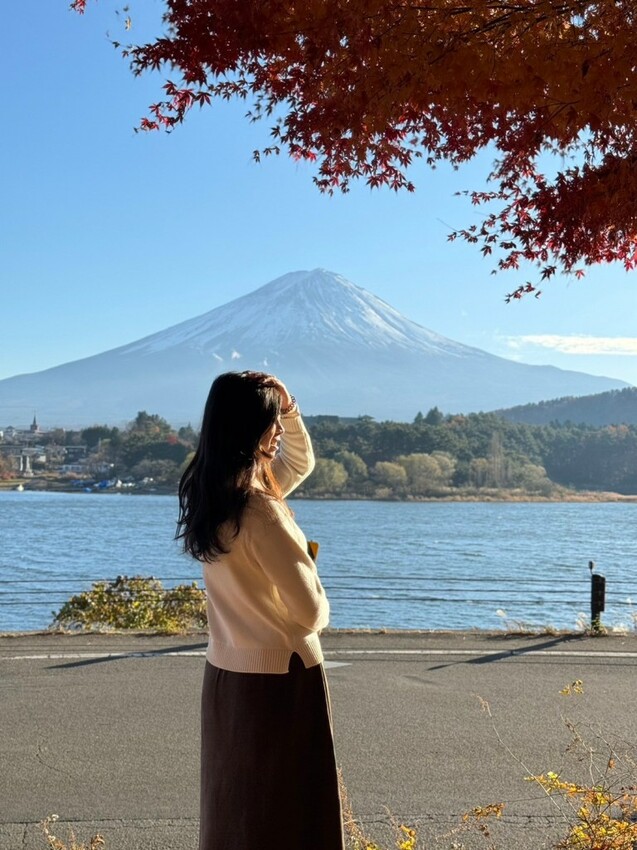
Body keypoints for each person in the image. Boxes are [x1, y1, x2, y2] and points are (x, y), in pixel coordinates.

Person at [176, 370, 344, 850]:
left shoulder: (212, 498)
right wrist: (312, 572)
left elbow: (299, 462)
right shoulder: (262, 511)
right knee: (289, 814)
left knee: (237, 809)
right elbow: (310, 613)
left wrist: (288, 409)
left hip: (226, 674)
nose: (278, 432)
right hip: (281, 679)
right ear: (254, 428)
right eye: (272, 422)